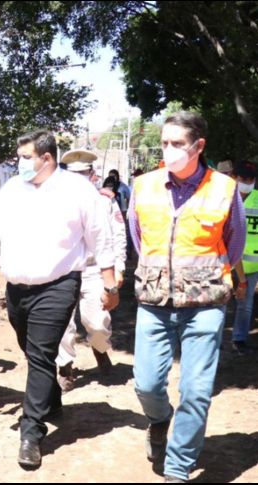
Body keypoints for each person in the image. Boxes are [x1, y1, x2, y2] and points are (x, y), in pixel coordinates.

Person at [0, 130, 119, 469]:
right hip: (17, 289)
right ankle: (52, 396)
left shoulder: (78, 191)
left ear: (46, 158)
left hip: (58, 285)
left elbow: (99, 237)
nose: (19, 164)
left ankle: (31, 432)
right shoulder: (14, 189)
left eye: (24, 157)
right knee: (31, 348)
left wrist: (109, 284)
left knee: (40, 353)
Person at [130, 112, 246, 483]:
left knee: (196, 392)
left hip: (206, 305)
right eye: (164, 143)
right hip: (153, 302)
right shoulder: (144, 185)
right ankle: (160, 420)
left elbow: (235, 242)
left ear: (198, 146)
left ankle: (177, 469)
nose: (169, 151)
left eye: (177, 144)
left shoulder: (224, 188)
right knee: (146, 383)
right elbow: (139, 239)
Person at [56, 149, 126, 392]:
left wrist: (120, 269)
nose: (78, 179)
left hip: (95, 271)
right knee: (62, 324)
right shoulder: (53, 201)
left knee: (97, 322)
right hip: (62, 272)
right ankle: (65, 367)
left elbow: (118, 236)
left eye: (83, 174)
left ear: (92, 174)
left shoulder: (105, 200)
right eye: (73, 174)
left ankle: (100, 349)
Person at [231, 161, 258, 355]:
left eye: (250, 179)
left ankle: (239, 339)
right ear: (235, 178)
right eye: (243, 178)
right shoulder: (224, 198)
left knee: (245, 306)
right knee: (217, 304)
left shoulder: (257, 199)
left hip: (250, 266)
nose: (246, 182)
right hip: (224, 264)